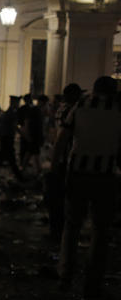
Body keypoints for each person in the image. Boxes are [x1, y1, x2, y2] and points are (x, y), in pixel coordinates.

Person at [52, 76, 121, 300]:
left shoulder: (81, 105)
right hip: (105, 176)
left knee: (71, 227)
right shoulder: (118, 108)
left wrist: (56, 166)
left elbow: (62, 138)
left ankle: (65, 278)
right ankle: (92, 286)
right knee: (101, 231)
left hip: (78, 174)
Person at [45, 83, 83, 242]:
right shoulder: (73, 111)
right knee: (64, 199)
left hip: (59, 158)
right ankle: (60, 233)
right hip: (66, 160)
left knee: (57, 199)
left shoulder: (61, 109)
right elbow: (64, 139)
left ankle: (56, 231)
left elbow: (55, 136)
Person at [0, 96, 23, 183]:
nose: (18, 104)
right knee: (8, 159)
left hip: (5, 138)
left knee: (6, 159)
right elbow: (15, 126)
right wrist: (24, 135)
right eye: (17, 102)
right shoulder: (11, 113)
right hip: (7, 139)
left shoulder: (8, 112)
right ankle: (19, 177)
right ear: (14, 103)